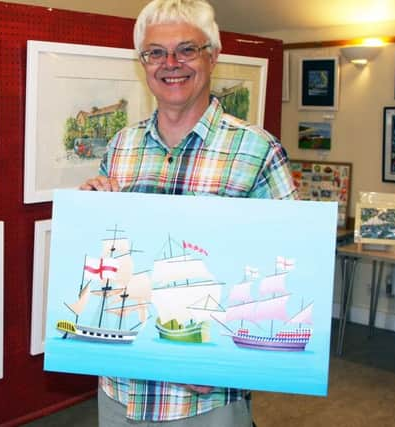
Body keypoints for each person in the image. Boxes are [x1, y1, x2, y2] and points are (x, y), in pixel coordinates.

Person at [79, 0, 298, 425]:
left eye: (186, 49)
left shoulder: (257, 151)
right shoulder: (121, 147)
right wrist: (88, 211)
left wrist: (226, 360)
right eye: (155, 52)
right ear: (143, 62)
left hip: (205, 398)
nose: (170, 64)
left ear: (212, 56)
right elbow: (107, 257)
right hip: (122, 386)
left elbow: (288, 274)